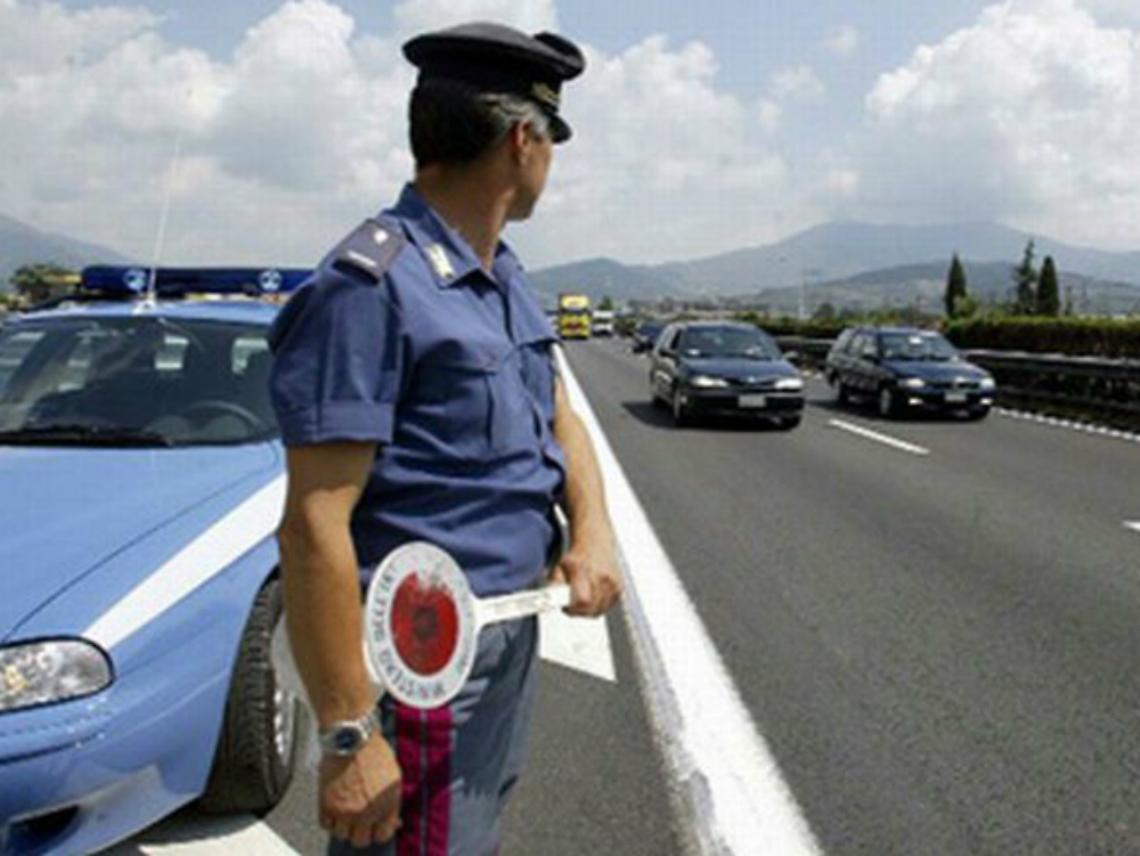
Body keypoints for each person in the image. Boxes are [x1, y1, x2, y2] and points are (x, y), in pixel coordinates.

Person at [268, 21, 622, 856]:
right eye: (552, 138)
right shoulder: (369, 287)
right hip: (421, 662)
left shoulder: (500, 274)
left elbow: (558, 414)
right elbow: (314, 523)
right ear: (522, 138)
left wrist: (594, 528)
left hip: (503, 637)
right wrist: (350, 735)